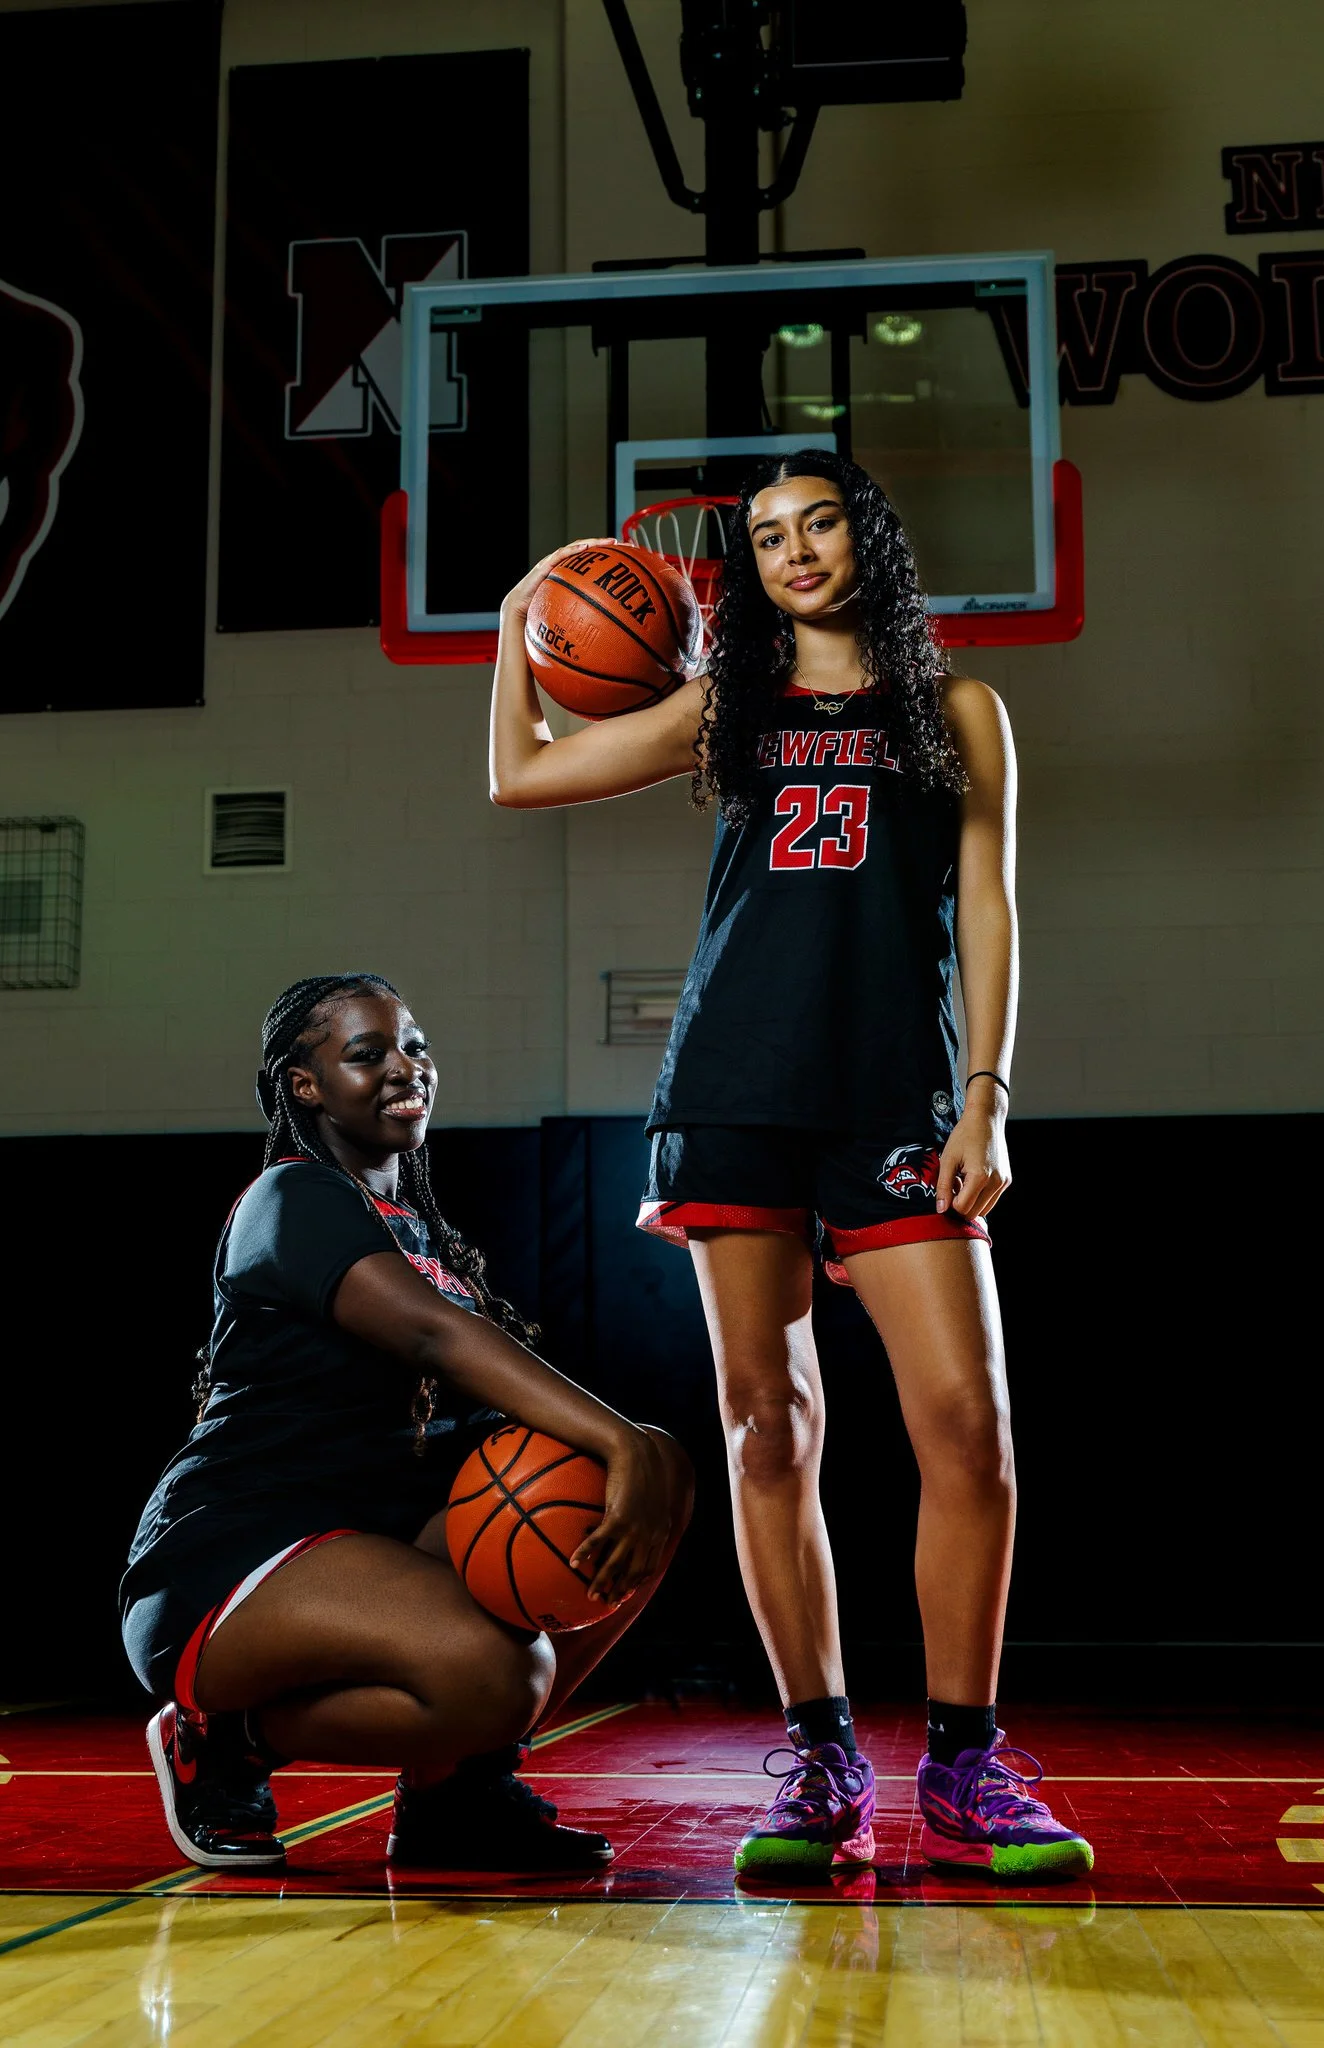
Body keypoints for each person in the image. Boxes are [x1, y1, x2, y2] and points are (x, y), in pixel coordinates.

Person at [487, 451, 1092, 1881]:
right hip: (734, 1087)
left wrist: (987, 1098)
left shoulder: (957, 708)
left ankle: (962, 1761)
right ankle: (817, 1759)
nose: (794, 550)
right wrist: (516, 611)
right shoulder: (727, 707)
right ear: (745, 572)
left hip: (890, 1093)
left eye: (817, 522)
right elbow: (519, 777)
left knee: (969, 1430)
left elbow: (992, 905)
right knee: (768, 1428)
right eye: (764, 537)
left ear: (863, 539)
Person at [122, 973, 691, 1874]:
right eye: (366, 1053)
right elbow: (433, 1333)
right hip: (235, 1555)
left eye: (415, 1047)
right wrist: (615, 1435)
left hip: (371, 1542)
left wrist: (636, 1453)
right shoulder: (290, 1198)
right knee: (503, 1673)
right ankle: (227, 1740)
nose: (404, 1068)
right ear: (304, 1086)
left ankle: (455, 1794)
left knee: (650, 1481)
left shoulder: (413, 1227)